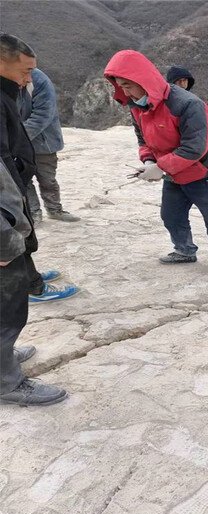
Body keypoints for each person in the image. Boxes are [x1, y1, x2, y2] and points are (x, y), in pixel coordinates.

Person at [104, 50, 208, 276]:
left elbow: (195, 147)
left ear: (142, 79)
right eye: (121, 86)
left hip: (206, 173)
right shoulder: (137, 105)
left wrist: (160, 167)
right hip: (174, 172)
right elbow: (143, 138)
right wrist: (148, 160)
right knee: (171, 215)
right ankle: (184, 250)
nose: (126, 92)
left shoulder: (187, 104)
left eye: (128, 85)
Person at [0, 44, 68, 408]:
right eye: (24, 72)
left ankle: (4, 357)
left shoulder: (6, 94)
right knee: (5, 304)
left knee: (13, 297)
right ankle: (5, 381)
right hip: (1, 224)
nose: (30, 80)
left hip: (11, 213)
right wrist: (4, 238)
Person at [0, 34, 80, 305]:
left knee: (45, 184)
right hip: (8, 182)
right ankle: (33, 287)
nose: (29, 78)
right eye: (25, 71)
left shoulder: (25, 84)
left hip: (30, 157)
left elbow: (43, 114)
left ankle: (31, 274)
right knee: (15, 233)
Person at [19, 68, 80, 224]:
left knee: (47, 179)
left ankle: (54, 210)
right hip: (17, 143)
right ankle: (33, 212)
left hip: (43, 142)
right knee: (23, 179)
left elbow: (42, 115)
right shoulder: (6, 77)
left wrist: (17, 137)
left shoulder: (38, 80)